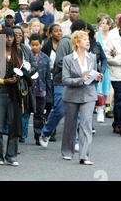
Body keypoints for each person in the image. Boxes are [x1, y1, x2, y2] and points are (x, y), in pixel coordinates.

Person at [39, 19, 88, 147]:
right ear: (80, 30)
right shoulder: (65, 42)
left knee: (76, 111)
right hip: (61, 81)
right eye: (84, 31)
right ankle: (46, 133)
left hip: (77, 82)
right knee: (59, 110)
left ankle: (75, 140)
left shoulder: (83, 45)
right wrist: (76, 69)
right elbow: (59, 62)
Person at [61, 30, 102, 165]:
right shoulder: (68, 59)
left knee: (86, 124)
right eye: (84, 40)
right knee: (70, 124)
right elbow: (65, 80)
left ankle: (84, 155)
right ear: (77, 43)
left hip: (89, 95)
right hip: (72, 95)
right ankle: (67, 151)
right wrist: (81, 79)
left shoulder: (92, 57)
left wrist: (97, 78)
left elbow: (93, 76)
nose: (88, 41)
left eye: (88, 39)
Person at [0, 28, 23, 166]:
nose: (9, 39)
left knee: (14, 124)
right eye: (6, 37)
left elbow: (25, 70)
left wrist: (20, 76)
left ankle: (11, 155)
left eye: (11, 37)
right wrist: (3, 80)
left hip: (15, 92)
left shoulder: (18, 53)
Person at [29, 33, 53, 145]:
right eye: (32, 45)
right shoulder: (27, 57)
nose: (34, 47)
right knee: (26, 112)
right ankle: (22, 134)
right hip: (29, 89)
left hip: (41, 89)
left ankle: (38, 135)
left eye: (36, 45)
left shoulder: (45, 58)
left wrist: (49, 93)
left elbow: (48, 77)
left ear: (41, 44)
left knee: (39, 113)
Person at [96, 14, 114, 121]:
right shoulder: (96, 35)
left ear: (110, 25)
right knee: (98, 86)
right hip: (98, 64)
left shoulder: (112, 36)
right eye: (103, 23)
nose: (104, 25)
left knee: (107, 85)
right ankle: (99, 107)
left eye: (107, 24)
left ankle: (107, 107)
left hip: (109, 64)